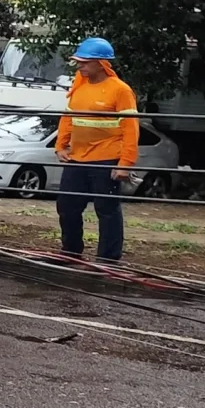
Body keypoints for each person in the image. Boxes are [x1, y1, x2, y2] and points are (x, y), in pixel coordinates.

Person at [55, 36, 138, 263]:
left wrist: (125, 164)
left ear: (101, 63)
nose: (79, 66)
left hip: (107, 158)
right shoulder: (79, 85)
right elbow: (68, 117)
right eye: (79, 62)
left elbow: (131, 129)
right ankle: (70, 252)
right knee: (67, 206)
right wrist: (60, 146)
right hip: (77, 158)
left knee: (107, 209)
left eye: (84, 62)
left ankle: (107, 260)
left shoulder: (120, 90)